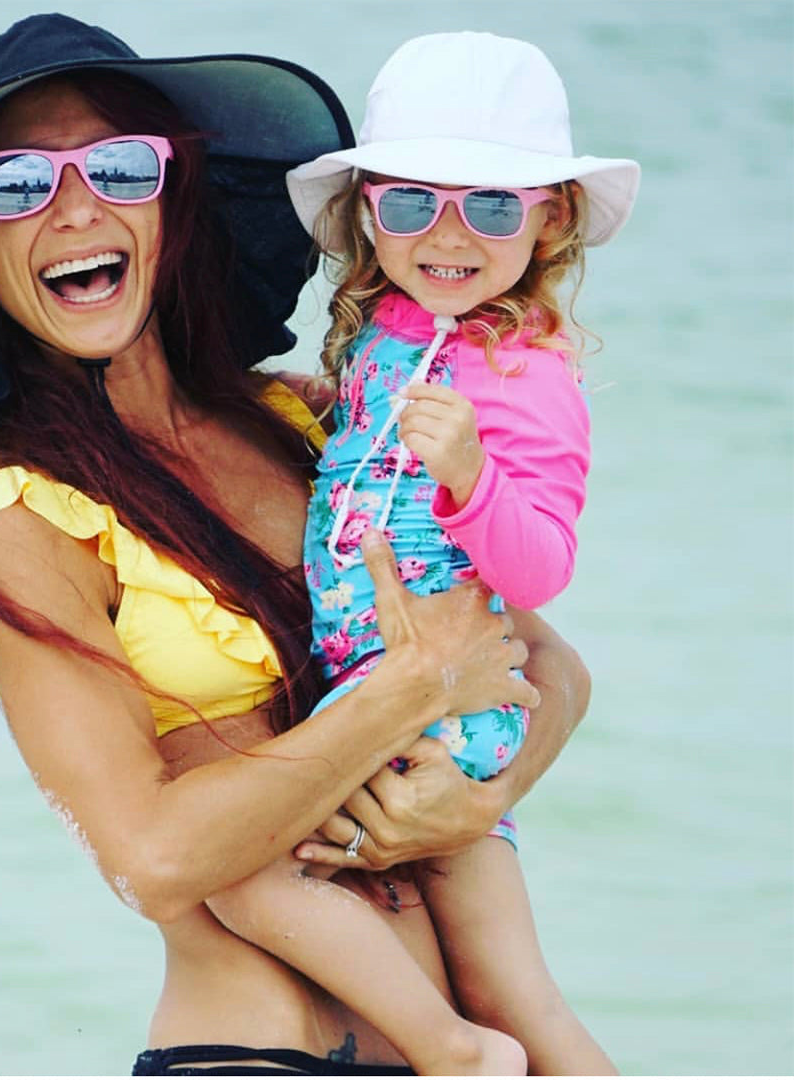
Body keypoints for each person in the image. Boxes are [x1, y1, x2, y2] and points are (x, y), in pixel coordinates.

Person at [0, 15, 595, 1076]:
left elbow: (549, 665)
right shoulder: (11, 520)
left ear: (175, 199)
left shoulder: (308, 422)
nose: (76, 208)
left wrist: (474, 801)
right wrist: (408, 693)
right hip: (255, 1053)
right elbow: (155, 859)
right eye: (17, 184)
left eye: (120, 167)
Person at [199, 31, 641, 1075]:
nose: (448, 235)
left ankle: (455, 1053)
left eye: (491, 207)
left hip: (436, 709)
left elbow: (542, 570)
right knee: (507, 986)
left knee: (238, 862)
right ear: (368, 211)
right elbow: (366, 454)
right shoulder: (390, 328)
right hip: (387, 684)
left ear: (551, 217)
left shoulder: (529, 374)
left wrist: (473, 478)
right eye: (411, 204)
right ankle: (466, 1044)